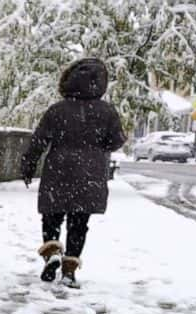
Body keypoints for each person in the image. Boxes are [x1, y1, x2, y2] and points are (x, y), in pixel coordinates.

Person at [20, 58, 125, 288]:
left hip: (58, 170)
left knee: (52, 215)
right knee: (79, 223)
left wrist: (28, 164)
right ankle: (69, 272)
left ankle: (53, 252)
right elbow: (116, 141)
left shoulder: (57, 110)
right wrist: (96, 146)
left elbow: (39, 140)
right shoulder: (107, 112)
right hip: (90, 175)